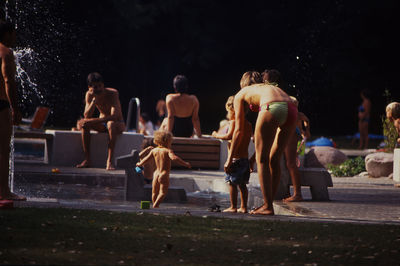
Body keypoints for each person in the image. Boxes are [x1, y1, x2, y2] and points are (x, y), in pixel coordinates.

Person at [226, 83, 297, 215]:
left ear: (243, 84)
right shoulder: (266, 88)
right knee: (273, 159)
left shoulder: (241, 93)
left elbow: (238, 131)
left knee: (262, 160)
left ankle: (268, 206)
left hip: (272, 107)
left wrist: (229, 159)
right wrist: (252, 159)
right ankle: (268, 204)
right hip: (292, 109)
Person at [75, 72, 125, 170]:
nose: (98, 89)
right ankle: (87, 160)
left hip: (118, 124)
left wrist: (93, 121)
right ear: (90, 87)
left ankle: (109, 161)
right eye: (95, 87)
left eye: (100, 86)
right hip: (102, 124)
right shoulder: (89, 95)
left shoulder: (113, 93)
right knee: (85, 124)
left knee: (110, 124)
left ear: (103, 85)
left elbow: (114, 116)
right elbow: (86, 115)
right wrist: (94, 100)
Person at [213, 96, 252, 213]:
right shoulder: (249, 124)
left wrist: (216, 135)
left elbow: (229, 136)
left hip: (235, 159)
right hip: (245, 159)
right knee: (243, 185)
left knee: (232, 183)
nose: (227, 115)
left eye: (228, 112)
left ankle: (233, 207)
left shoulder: (234, 122)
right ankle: (244, 207)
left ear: (234, 111)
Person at [0, 20, 25, 201]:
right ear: (7, 34)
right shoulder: (6, 53)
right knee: (3, 150)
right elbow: (9, 81)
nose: (15, 37)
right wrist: (14, 108)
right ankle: (4, 191)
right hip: (0, 104)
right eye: (13, 33)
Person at [136, 130, 191, 208]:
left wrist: (139, 164)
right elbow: (174, 158)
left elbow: (146, 159)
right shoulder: (168, 151)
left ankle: (154, 206)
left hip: (156, 174)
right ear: (168, 141)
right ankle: (155, 206)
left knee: (154, 192)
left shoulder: (154, 150)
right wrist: (185, 164)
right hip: (164, 174)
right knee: (162, 193)